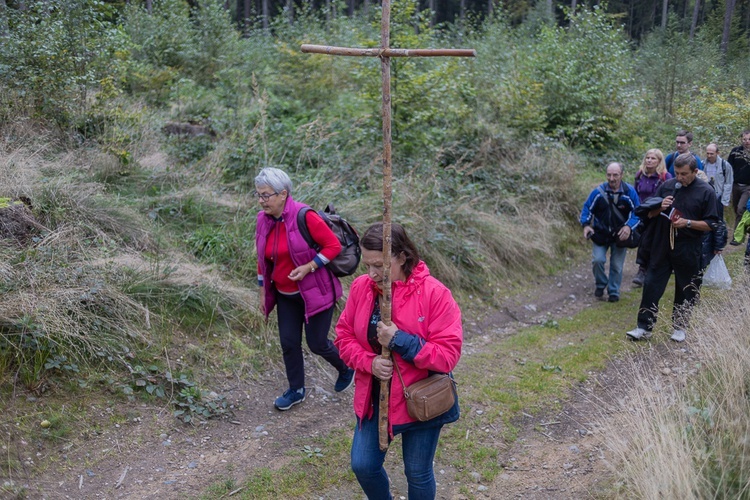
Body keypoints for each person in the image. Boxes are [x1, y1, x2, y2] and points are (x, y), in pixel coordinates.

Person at [334, 222, 462, 500]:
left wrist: (400, 340)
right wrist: (369, 363)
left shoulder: (435, 294)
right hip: (374, 399)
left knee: (417, 473)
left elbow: (447, 356)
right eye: (367, 265)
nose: (372, 273)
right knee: (363, 465)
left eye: (380, 264)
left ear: (402, 257)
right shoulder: (361, 288)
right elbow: (343, 337)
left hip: (421, 400)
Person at [254, 167, 354, 411]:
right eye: (258, 195)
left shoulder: (304, 216)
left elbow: (332, 246)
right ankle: (296, 390)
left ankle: (345, 367)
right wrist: (261, 291)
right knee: (288, 343)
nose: (261, 200)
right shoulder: (262, 220)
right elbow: (261, 259)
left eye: (266, 195)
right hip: (285, 294)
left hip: (315, 291)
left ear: (283, 194)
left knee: (317, 343)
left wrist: (310, 266)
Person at [626, 154, 719, 343]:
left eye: (684, 174)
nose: (679, 177)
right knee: (651, 284)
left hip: (688, 246)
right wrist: (660, 207)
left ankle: (680, 326)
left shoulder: (706, 191)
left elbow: (712, 223)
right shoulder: (668, 186)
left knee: (686, 287)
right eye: (676, 173)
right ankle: (644, 327)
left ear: (695, 172)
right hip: (662, 243)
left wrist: (688, 223)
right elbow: (647, 213)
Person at [580, 162, 641, 303]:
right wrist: (586, 225)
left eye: (615, 175)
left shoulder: (629, 192)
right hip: (600, 234)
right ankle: (601, 284)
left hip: (621, 235)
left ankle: (614, 291)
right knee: (598, 260)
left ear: (622, 175)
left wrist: (628, 227)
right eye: (609, 175)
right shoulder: (598, 192)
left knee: (617, 265)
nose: (612, 178)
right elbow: (587, 209)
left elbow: (637, 213)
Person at [632, 149, 672, 286]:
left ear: (659, 161)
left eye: (653, 158)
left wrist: (659, 209)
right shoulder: (639, 175)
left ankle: (647, 270)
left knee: (653, 241)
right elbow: (635, 193)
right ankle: (643, 269)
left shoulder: (665, 177)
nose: (649, 160)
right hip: (644, 213)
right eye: (647, 158)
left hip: (659, 214)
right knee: (644, 240)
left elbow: (670, 197)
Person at [703, 143, 733, 219]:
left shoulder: (725, 165)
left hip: (718, 196)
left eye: (711, 154)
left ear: (717, 153)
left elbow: (728, 182)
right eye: (708, 153)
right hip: (705, 196)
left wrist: (725, 200)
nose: (709, 156)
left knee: (718, 219)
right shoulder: (702, 164)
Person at [728, 129, 750, 227]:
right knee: (736, 209)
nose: (747, 141)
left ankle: (737, 236)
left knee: (741, 208)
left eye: (749, 139)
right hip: (735, 185)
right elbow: (728, 167)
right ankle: (740, 231)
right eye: (744, 139)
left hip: (748, 187)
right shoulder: (735, 151)